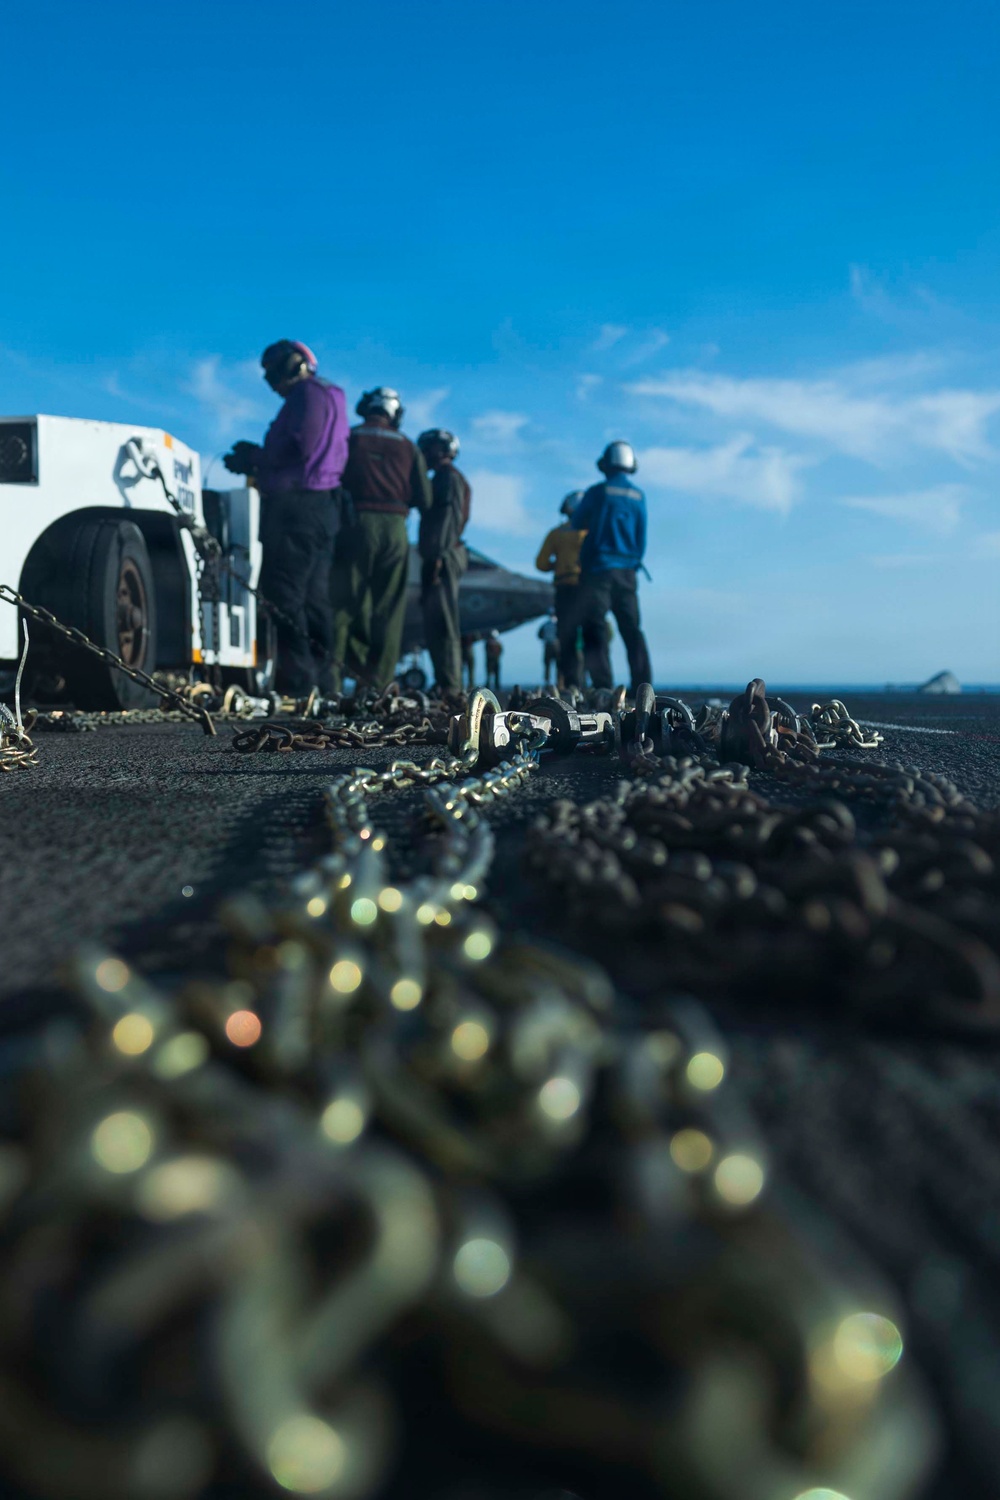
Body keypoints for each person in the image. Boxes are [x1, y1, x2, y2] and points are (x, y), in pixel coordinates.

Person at [223, 340, 347, 695]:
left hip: (297, 507)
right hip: (323, 506)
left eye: (273, 372)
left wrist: (255, 458)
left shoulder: (306, 395)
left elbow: (301, 447)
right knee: (314, 597)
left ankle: (297, 683)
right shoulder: (332, 395)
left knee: (284, 593)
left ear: (294, 365)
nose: (271, 382)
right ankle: (324, 684)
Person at [329, 388, 431, 691]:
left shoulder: (350, 437)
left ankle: (332, 683)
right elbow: (425, 499)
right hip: (394, 528)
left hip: (355, 523)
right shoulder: (408, 446)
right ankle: (379, 686)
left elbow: (330, 477)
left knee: (343, 605)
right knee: (388, 609)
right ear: (395, 413)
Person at [571, 442, 653, 691]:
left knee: (594, 627)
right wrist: (631, 562)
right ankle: (643, 688)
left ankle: (603, 688)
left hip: (598, 571)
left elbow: (576, 523)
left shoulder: (596, 493)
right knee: (632, 630)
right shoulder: (639, 496)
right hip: (627, 573)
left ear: (604, 465)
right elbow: (641, 537)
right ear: (631, 465)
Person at [416, 428, 471, 695]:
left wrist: (438, 556)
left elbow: (449, 519)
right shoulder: (441, 477)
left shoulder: (448, 478)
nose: (424, 454)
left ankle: (450, 686)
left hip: (444, 554)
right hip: (441, 553)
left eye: (428, 448)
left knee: (444, 620)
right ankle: (445, 682)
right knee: (435, 621)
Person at [535, 492, 587, 687]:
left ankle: (571, 684)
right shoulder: (592, 532)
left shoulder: (557, 534)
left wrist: (556, 565)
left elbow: (541, 563)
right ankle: (600, 684)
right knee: (592, 634)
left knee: (566, 636)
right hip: (588, 587)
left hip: (564, 588)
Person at [538, 610, 559, 684]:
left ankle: (547, 681)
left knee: (547, 664)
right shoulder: (557, 624)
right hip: (556, 645)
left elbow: (539, 635)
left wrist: (545, 638)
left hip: (547, 645)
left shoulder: (545, 625)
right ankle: (559, 682)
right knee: (558, 664)